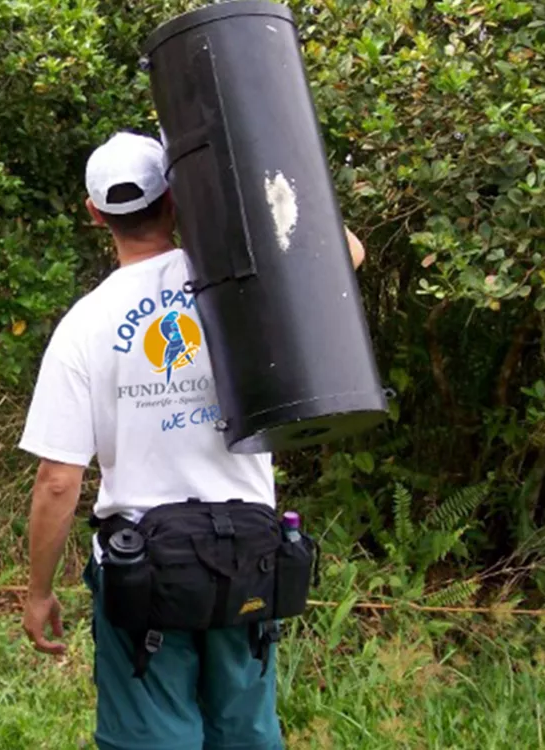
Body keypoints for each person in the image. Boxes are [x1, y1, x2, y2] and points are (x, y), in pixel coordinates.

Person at [18, 132, 365, 750]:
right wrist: (230, 189)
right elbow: (347, 253)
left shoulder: (83, 325)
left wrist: (39, 591)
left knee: (151, 736)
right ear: (176, 198)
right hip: (248, 555)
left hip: (142, 568)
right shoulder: (238, 279)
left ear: (94, 214)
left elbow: (58, 481)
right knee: (244, 733)